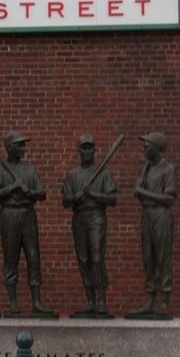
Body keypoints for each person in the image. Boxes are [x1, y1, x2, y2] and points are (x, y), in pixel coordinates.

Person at [0, 130, 53, 316]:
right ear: (9, 148)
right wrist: (10, 188)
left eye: (23, 144)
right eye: (19, 145)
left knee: (33, 256)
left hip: (28, 214)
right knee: (11, 257)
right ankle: (13, 302)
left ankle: (37, 301)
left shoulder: (30, 170)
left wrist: (31, 193)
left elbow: (42, 193)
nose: (23, 148)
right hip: (9, 214)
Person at [61, 133, 116, 316]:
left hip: (96, 216)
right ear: (79, 150)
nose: (87, 151)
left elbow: (111, 199)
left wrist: (92, 194)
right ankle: (90, 300)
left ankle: (101, 300)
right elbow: (65, 201)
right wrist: (73, 197)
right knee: (83, 258)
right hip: (79, 216)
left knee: (97, 257)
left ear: (94, 150)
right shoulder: (72, 175)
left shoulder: (103, 173)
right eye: (83, 147)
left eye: (90, 147)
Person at [128, 131, 176, 318]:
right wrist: (140, 194)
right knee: (148, 258)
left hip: (161, 215)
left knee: (163, 257)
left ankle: (164, 302)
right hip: (147, 214)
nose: (144, 149)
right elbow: (142, 193)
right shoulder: (147, 168)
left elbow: (170, 198)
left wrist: (143, 192)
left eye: (146, 147)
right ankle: (150, 300)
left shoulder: (168, 169)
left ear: (156, 148)